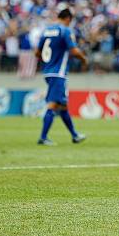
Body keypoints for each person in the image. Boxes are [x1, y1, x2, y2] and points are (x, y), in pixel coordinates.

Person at [36, 8, 88, 146]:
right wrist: (84, 59)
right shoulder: (65, 30)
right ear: (68, 19)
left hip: (48, 71)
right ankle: (43, 137)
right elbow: (74, 50)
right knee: (53, 104)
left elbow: (37, 51)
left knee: (63, 105)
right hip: (58, 72)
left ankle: (75, 135)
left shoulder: (46, 30)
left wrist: (47, 62)